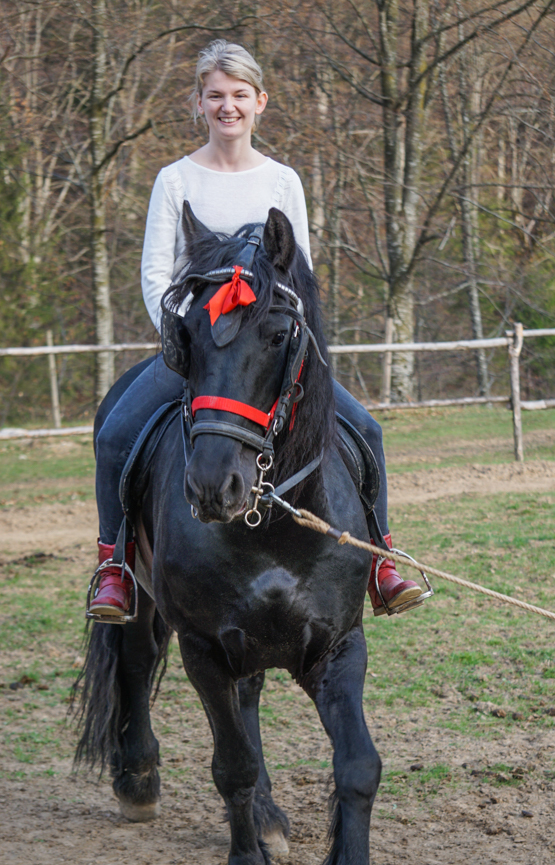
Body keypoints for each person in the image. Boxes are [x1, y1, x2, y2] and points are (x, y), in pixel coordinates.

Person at [89, 38, 425, 621]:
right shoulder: (174, 180)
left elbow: (302, 275)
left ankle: (381, 560)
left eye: (239, 94)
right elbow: (155, 274)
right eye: (215, 95)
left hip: (267, 356)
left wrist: (292, 345)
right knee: (115, 437)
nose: (228, 106)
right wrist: (182, 341)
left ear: (260, 101)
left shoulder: (281, 181)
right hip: (195, 355)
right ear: (198, 103)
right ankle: (114, 568)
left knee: (366, 430)